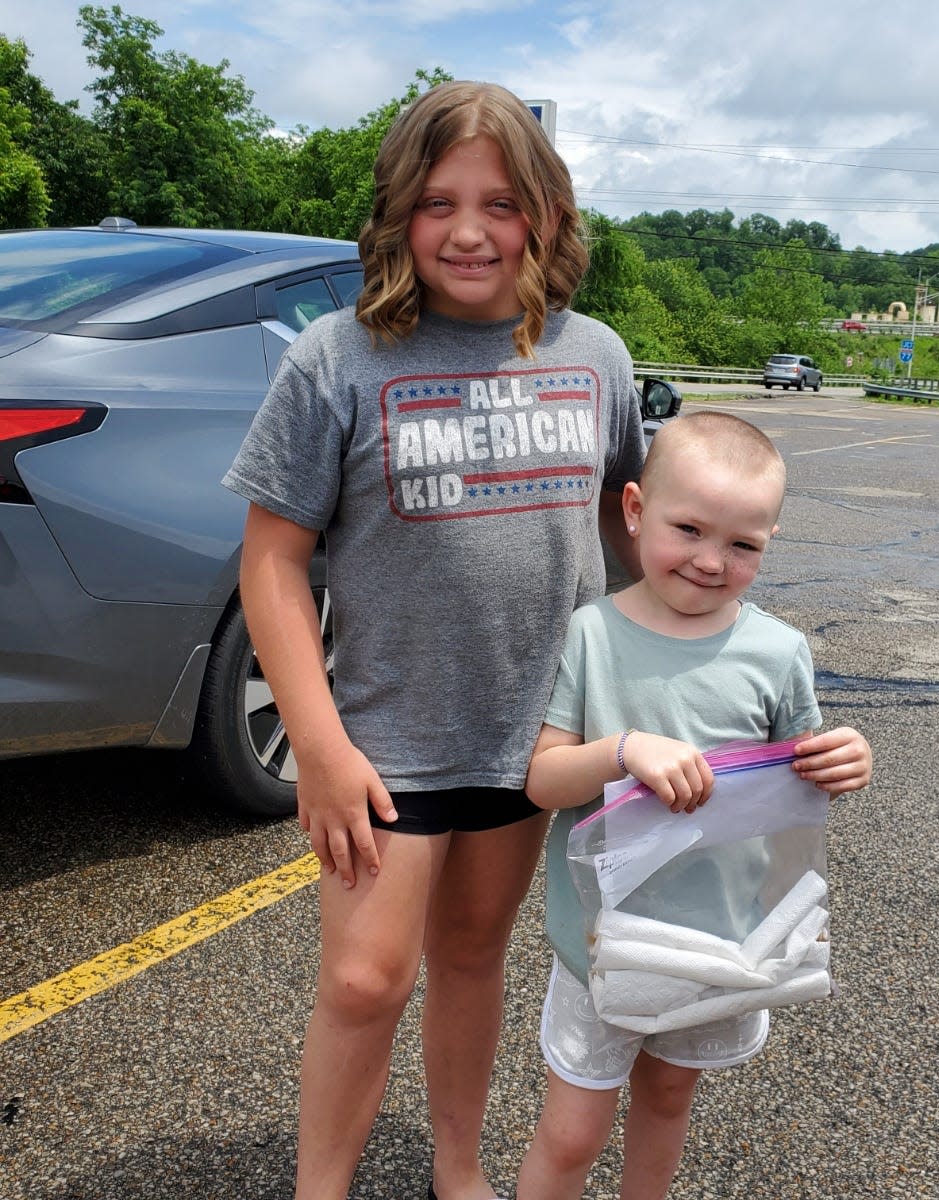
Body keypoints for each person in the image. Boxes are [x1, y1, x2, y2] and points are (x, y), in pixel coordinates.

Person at [222, 81, 648, 1200]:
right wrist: (315, 744)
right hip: (384, 737)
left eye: (501, 202)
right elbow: (269, 563)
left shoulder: (593, 354)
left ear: (546, 215)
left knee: (473, 957)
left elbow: (631, 532)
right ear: (399, 214)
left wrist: (709, 663)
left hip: (533, 737)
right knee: (366, 979)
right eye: (440, 201)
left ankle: (454, 1171)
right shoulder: (338, 357)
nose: (469, 231)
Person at [515, 411, 873, 1200]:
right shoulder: (592, 635)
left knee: (670, 1098)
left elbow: (802, 776)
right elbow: (543, 780)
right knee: (572, 1130)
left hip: (722, 940)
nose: (711, 562)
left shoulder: (779, 653)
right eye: (689, 529)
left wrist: (847, 758)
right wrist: (622, 749)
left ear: (770, 541)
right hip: (603, 941)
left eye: (743, 545)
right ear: (636, 511)